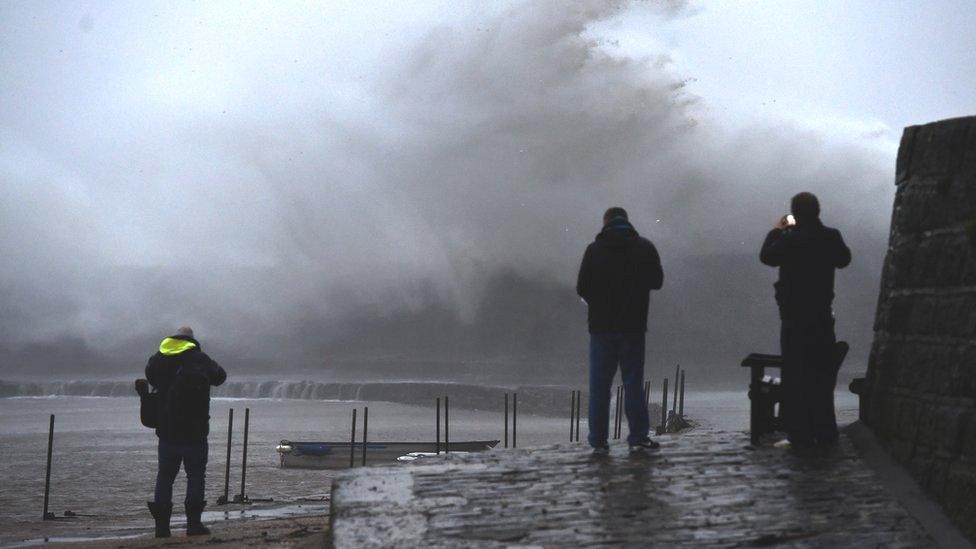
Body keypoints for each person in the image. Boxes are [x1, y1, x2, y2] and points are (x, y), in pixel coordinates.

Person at [760, 192, 851, 449]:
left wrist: (778, 230)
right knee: (822, 376)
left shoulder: (789, 239)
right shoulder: (830, 236)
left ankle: (799, 434)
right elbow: (844, 259)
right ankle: (825, 431)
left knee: (795, 375)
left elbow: (766, 256)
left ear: (795, 214)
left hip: (794, 318)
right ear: (818, 211)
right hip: (822, 316)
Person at [577, 207, 664, 455]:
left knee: (599, 388)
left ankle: (598, 442)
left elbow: (582, 286)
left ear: (605, 223)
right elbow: (657, 281)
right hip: (633, 327)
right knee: (633, 383)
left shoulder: (594, 250)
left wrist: (599, 299)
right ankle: (637, 437)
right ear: (627, 221)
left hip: (601, 329)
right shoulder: (645, 247)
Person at [145, 326, 226, 537]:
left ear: (174, 338)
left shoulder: (158, 359)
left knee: (165, 476)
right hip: (195, 431)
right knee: (196, 476)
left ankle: (162, 528)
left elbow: (150, 376)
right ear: (192, 340)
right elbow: (220, 377)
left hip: (167, 430)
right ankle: (193, 525)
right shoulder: (199, 358)